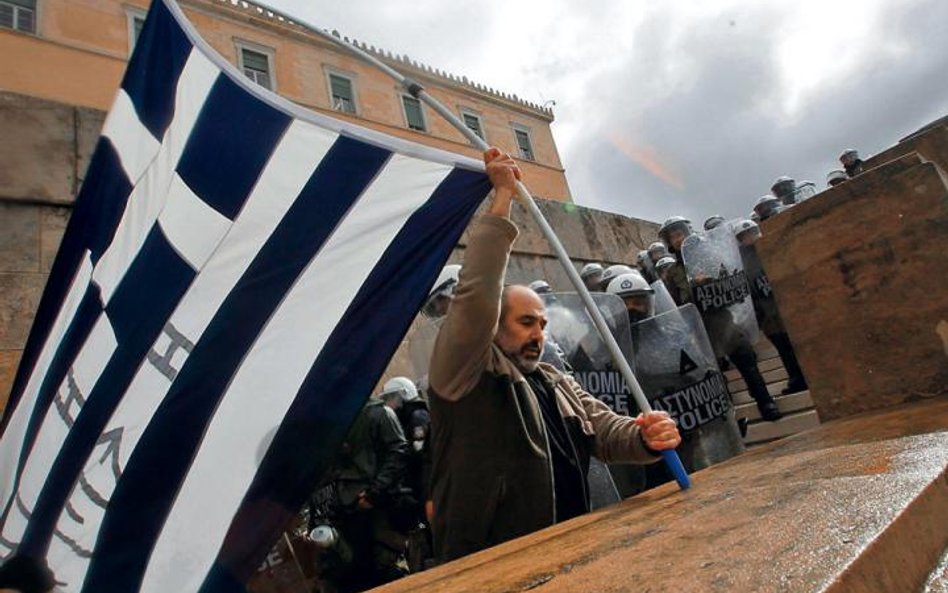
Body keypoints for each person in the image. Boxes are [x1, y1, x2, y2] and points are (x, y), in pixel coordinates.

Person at [427, 148, 681, 562]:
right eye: (526, 322)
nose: (538, 334)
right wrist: (502, 198)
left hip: (573, 549)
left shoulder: (555, 381)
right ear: (493, 325)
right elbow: (476, 293)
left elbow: (609, 433)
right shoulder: (464, 377)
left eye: (543, 325)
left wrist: (647, 437)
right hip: (496, 565)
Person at [658, 216, 782, 422]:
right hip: (699, 328)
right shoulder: (672, 273)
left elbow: (732, 280)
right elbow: (674, 303)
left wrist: (711, 281)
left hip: (723, 320)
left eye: (679, 234)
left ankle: (765, 401)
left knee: (746, 360)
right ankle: (730, 419)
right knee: (714, 377)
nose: (677, 240)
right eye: (673, 237)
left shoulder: (709, 257)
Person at [310, 394, 410, 592]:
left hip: (376, 508)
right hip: (344, 512)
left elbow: (398, 452)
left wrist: (375, 492)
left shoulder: (376, 413)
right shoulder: (326, 424)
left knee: (388, 571)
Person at [734, 220, 808, 395]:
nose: (749, 238)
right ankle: (796, 378)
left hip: (784, 303)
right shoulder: (743, 260)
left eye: (751, 233)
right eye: (745, 236)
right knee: (783, 347)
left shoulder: (771, 247)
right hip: (766, 312)